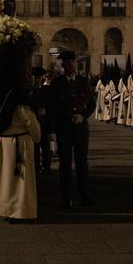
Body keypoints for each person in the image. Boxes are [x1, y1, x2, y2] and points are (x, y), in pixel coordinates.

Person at [48, 51, 97, 208]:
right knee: (65, 164)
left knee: (82, 163)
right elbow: (52, 109)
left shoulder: (83, 82)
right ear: (63, 65)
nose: (72, 64)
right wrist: (52, 130)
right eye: (68, 62)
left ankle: (85, 195)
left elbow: (91, 104)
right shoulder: (56, 84)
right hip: (63, 128)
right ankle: (66, 197)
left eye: (74, 61)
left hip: (80, 128)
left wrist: (83, 116)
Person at [0, 88, 41, 223]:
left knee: (7, 181)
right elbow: (31, 124)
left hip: (5, 143)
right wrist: (37, 137)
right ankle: (19, 211)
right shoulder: (21, 104)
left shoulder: (4, 101)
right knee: (20, 181)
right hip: (19, 144)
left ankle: (7, 209)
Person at [30, 66, 51, 174]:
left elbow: (50, 104)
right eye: (35, 77)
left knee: (45, 144)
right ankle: (36, 166)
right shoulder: (30, 90)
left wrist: (45, 109)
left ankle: (46, 166)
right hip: (34, 120)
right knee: (35, 146)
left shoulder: (46, 90)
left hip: (44, 121)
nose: (36, 79)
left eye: (38, 77)